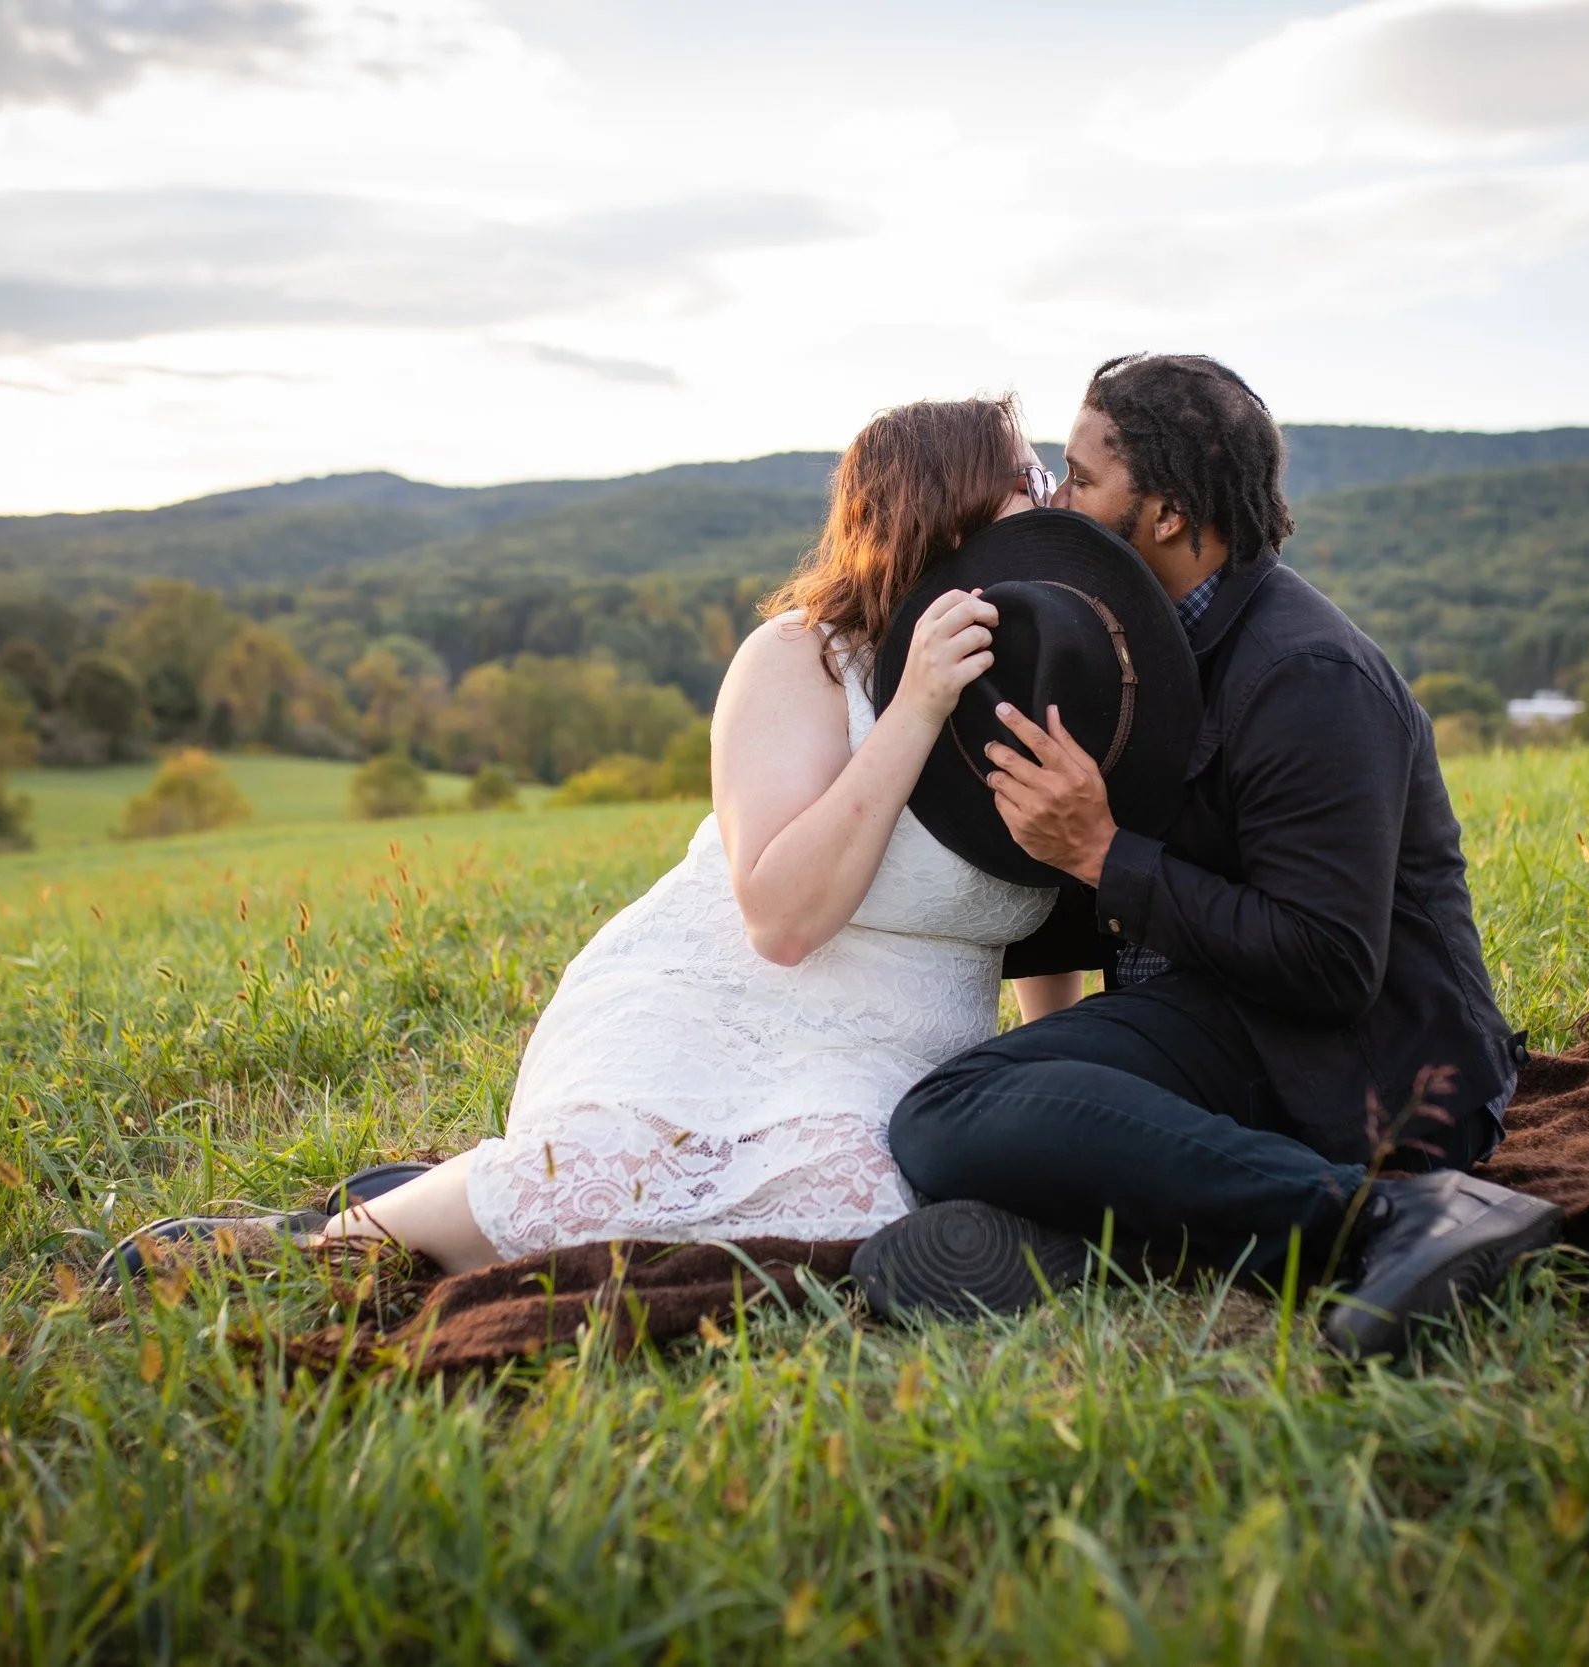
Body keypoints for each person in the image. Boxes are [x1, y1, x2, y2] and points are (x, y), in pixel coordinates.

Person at [98, 397, 1061, 1284]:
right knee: (587, 1185)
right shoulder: (801, 658)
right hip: (714, 994)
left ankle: (445, 1192)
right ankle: (320, 1243)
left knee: (842, 1219)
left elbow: (1058, 912)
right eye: (1030, 475)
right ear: (956, 508)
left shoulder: (1070, 673)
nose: (1051, 492)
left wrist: (1053, 1070)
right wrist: (916, 710)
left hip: (892, 1049)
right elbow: (781, 918)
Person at [854, 354, 1565, 1358]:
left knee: (950, 1116)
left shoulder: (1307, 676)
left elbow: (1329, 964)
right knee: (954, 1108)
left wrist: (1104, 853)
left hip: (1364, 1059)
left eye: (1082, 475)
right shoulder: (1130, 637)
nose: (1058, 495)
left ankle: (1389, 1216)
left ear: (1170, 513)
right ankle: (1137, 1222)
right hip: (1218, 1015)